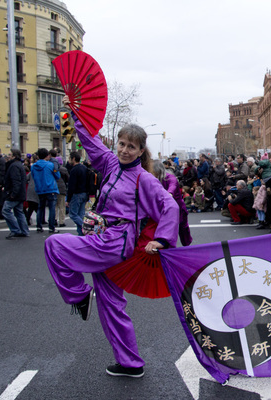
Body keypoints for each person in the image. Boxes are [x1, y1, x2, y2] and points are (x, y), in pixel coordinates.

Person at [44, 97, 179, 378]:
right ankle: (131, 364)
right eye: (122, 144)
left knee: (55, 244)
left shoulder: (144, 179)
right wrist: (74, 112)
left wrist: (162, 239)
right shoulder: (109, 163)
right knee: (111, 306)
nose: (125, 150)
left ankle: (79, 295)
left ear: (141, 150)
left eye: (131, 146)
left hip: (114, 244)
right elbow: (90, 140)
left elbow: (170, 206)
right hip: (104, 239)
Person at [152, 160, 192, 246]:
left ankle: (187, 247)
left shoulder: (170, 177)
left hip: (178, 207)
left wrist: (169, 194)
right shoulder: (153, 179)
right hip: (163, 208)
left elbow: (172, 186)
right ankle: (168, 247)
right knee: (166, 229)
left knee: (183, 228)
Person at [32, 148, 61, 233]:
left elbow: (33, 176)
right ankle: (51, 227)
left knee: (40, 208)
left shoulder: (33, 166)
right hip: (50, 188)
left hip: (40, 188)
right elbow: (57, 176)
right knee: (52, 208)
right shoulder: (50, 165)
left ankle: (39, 226)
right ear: (47, 156)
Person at [2, 148, 29, 239]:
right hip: (20, 193)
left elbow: (16, 181)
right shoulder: (19, 165)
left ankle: (15, 230)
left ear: (14, 156)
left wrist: (13, 194)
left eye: (9, 155)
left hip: (15, 194)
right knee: (19, 212)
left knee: (6, 210)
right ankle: (24, 231)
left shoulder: (13, 166)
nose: (8, 156)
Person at [66, 151, 88, 236]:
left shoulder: (74, 170)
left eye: (70, 158)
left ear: (73, 159)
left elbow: (71, 186)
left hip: (76, 194)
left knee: (73, 214)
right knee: (81, 214)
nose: (69, 160)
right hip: (84, 193)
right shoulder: (84, 168)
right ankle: (81, 233)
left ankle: (85, 226)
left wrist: (68, 199)